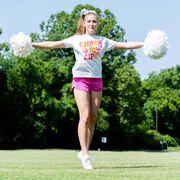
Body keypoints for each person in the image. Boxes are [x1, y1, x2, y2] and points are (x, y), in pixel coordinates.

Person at [32, 8, 144, 170]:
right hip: (80, 80)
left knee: (93, 117)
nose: (92, 23)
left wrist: (143, 44)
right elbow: (52, 44)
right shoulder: (76, 39)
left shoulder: (103, 41)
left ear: (97, 24)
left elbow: (125, 45)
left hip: (97, 81)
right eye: (89, 21)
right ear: (84, 23)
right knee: (84, 115)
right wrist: (32, 44)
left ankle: (85, 150)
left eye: (94, 21)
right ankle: (85, 154)